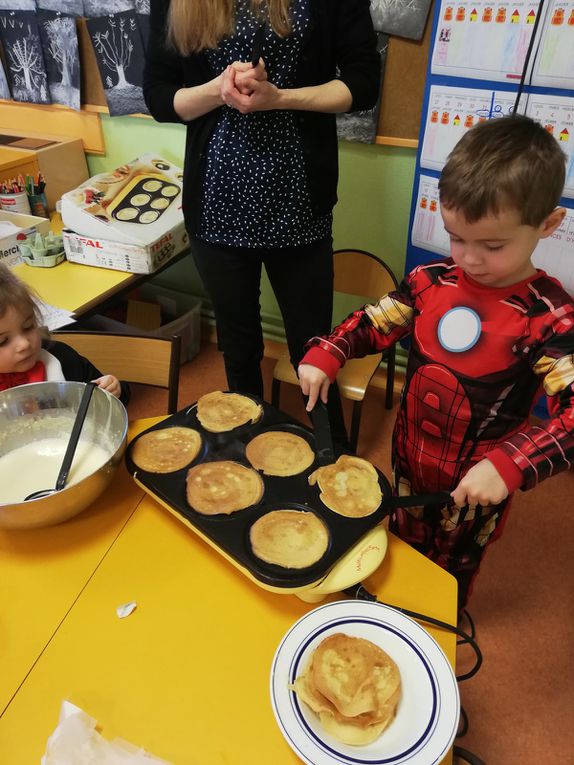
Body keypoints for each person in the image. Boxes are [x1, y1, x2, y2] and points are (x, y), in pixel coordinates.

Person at [298, 114, 574, 609]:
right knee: (399, 545)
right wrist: (331, 349)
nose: (468, 258)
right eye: (456, 237)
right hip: (408, 461)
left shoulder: (549, 317)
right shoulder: (431, 281)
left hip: (477, 484)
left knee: (451, 572)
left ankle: (437, 620)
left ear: (549, 224)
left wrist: (512, 463)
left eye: (492, 245)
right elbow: (376, 321)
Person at [143, 0, 381, 451]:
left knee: (315, 349)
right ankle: (247, 451)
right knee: (239, 348)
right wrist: (217, 90)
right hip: (216, 206)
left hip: (298, 203)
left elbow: (364, 82)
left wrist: (282, 98)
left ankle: (333, 457)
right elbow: (158, 94)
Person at [0, 263, 129, 404]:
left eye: (28, 327)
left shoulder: (63, 358)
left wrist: (114, 390)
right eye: (3, 341)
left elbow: (113, 402)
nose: (24, 344)